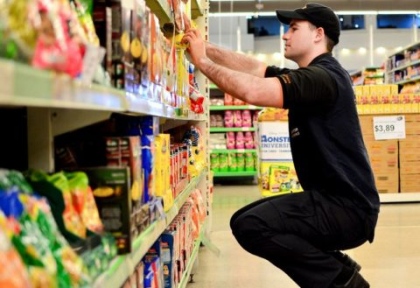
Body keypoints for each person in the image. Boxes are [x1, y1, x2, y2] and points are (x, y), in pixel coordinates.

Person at [182, 3, 380, 288]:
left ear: (318, 34)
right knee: (243, 218)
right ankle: (340, 268)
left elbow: (252, 89)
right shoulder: (317, 74)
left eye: (294, 28)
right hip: (336, 202)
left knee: (252, 225)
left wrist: (202, 63)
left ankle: (342, 282)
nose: (285, 35)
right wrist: (206, 47)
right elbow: (254, 68)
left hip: (346, 208)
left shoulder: (322, 78)